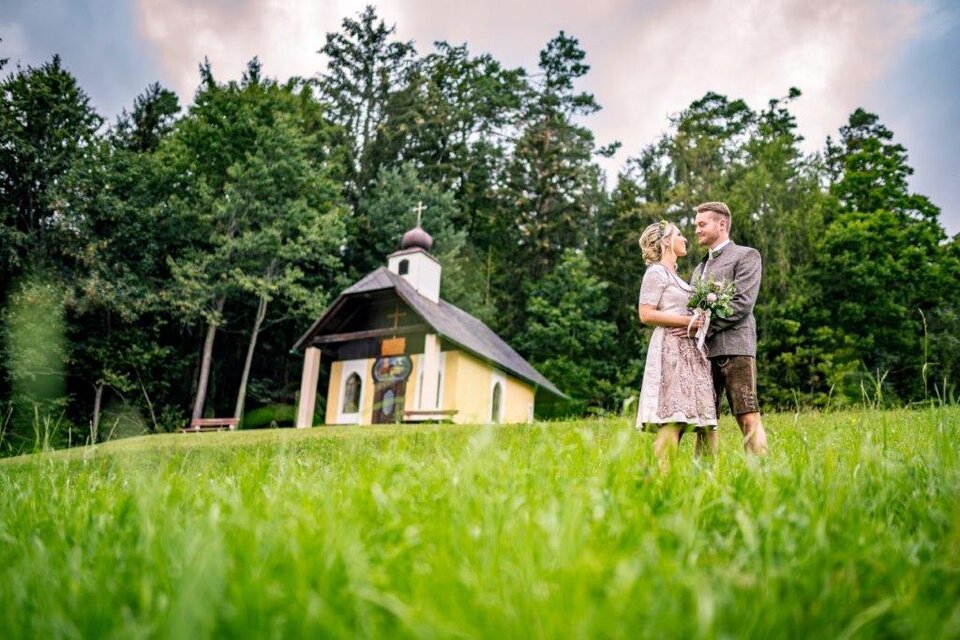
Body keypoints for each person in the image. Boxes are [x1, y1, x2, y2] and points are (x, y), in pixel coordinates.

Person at [678, 202, 769, 456]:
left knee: (747, 415)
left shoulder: (746, 255)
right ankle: (705, 479)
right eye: (696, 224)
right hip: (703, 355)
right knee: (706, 422)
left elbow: (742, 304)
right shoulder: (698, 268)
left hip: (736, 350)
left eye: (701, 224)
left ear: (722, 224)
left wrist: (699, 328)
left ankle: (763, 475)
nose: (696, 229)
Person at [636, 220, 716, 469]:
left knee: (702, 420)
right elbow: (646, 314)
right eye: (679, 234)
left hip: (691, 351)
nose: (685, 238)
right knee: (673, 417)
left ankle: (705, 480)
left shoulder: (676, 277)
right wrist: (685, 320)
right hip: (671, 349)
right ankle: (660, 481)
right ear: (665, 242)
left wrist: (699, 320)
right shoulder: (656, 272)